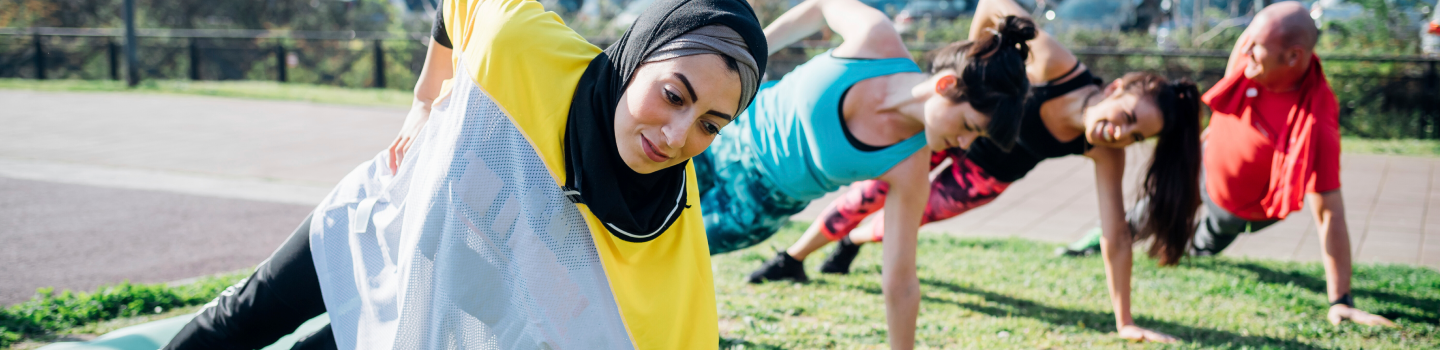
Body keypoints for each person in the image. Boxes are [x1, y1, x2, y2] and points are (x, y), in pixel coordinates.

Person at [161, 0, 767, 348]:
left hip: (464, 268)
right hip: (395, 209)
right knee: (244, 315)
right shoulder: (523, 50)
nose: (674, 136)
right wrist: (427, 97)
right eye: (671, 95)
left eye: (710, 125)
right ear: (637, 57)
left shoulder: (665, 220)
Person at [751, 0, 1206, 343]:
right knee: (866, 194)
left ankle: (852, 241)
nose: (1118, 134)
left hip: (986, 174)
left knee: (908, 216)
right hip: (950, 124)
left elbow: (1115, 235)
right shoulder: (1055, 64)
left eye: (1134, 137)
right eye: (1127, 117)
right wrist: (973, 62)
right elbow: (993, 4)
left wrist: (1123, 321)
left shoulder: (1104, 151)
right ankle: (791, 259)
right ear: (1118, 87)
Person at [699, 0, 1034, 347]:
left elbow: (900, 280)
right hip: (721, 134)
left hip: (754, 206)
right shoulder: (877, 40)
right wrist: (751, 54)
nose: (964, 144)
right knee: (639, 200)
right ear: (946, 85)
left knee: (663, 243)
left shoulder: (910, 167)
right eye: (968, 126)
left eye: (975, 138)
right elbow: (820, 6)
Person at [1060, 0, 1396, 329]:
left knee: (1196, 244)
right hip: (1202, 164)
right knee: (1154, 206)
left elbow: (1329, 213)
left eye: (1257, 45)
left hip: (1233, 208)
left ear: (1293, 56)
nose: (1245, 49)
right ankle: (1102, 239)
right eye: (1247, 38)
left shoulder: (1315, 121)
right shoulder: (1250, 58)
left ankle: (1183, 246)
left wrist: (1341, 301)